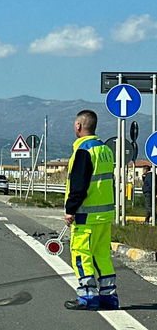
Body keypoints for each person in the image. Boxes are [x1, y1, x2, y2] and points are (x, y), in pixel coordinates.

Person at [63, 110, 117, 310]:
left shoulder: (83, 151)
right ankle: (109, 297)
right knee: (101, 255)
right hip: (104, 214)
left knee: (80, 254)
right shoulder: (105, 150)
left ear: (78, 126)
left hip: (86, 215)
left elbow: (79, 184)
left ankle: (87, 297)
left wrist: (70, 210)